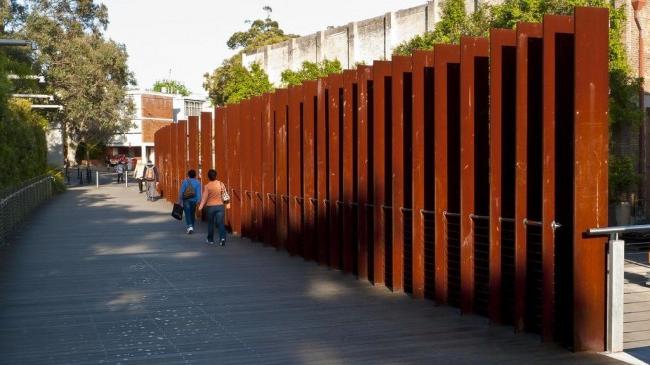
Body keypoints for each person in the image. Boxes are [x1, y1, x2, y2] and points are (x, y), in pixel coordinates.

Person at [198, 169, 229, 246]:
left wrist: (200, 207)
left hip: (210, 207)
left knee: (210, 224)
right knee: (220, 223)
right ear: (216, 175)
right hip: (220, 206)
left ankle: (210, 239)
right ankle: (222, 238)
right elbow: (225, 194)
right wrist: (228, 204)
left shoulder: (207, 186)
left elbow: (204, 198)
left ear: (208, 177)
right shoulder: (221, 184)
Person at [178, 169, 202, 234]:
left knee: (187, 213)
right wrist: (199, 200)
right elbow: (199, 193)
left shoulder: (185, 181)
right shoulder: (198, 182)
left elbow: (181, 192)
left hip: (186, 200)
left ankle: (189, 226)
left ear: (188, 175)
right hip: (194, 200)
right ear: (195, 175)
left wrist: (179, 201)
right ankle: (192, 226)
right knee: (192, 214)